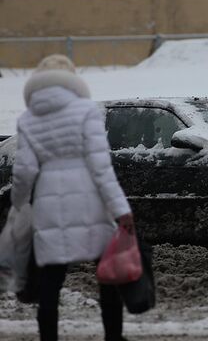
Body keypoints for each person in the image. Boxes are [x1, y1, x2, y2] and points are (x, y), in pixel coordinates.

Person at [11, 54, 132, 341]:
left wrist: (19, 204)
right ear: (71, 80)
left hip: (49, 204)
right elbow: (101, 166)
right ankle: (113, 337)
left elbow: (25, 171)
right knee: (107, 274)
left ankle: (48, 337)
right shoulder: (86, 111)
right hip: (90, 201)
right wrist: (121, 209)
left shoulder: (27, 120)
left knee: (50, 280)